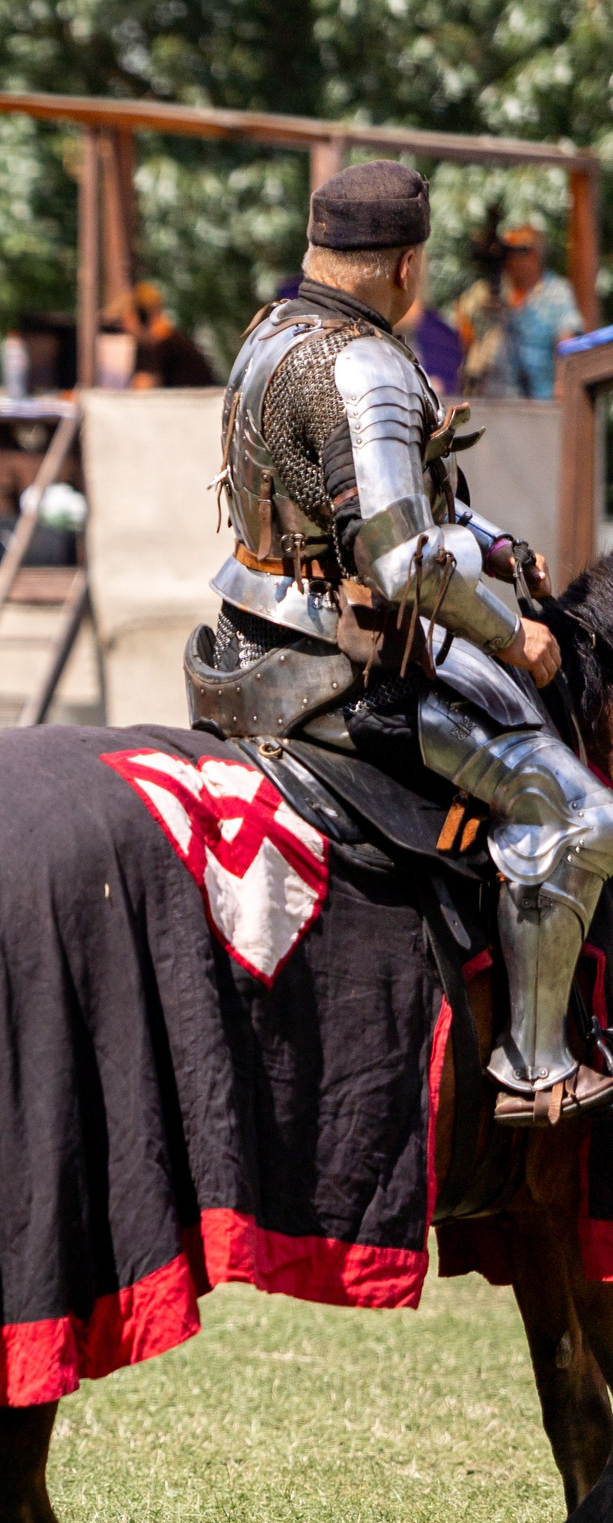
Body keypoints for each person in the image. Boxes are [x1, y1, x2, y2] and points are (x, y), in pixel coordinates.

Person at [187, 160, 613, 1124]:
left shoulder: (270, 335)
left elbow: (387, 519)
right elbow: (402, 565)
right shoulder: (366, 363)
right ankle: (535, 1063)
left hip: (247, 638)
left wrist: (497, 547)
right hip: (336, 674)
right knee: (578, 810)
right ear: (406, 267)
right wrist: (517, 638)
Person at [457, 224, 584, 399]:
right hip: (489, 397)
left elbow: (566, 343)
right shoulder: (490, 290)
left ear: (535, 256)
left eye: (519, 251)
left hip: (538, 397)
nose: (510, 259)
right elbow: (464, 326)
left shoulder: (557, 292)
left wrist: (562, 384)